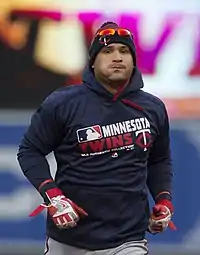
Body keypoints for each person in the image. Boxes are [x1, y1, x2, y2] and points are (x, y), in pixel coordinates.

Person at [17, 21, 176, 255]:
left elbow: (159, 160)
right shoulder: (63, 103)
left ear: (133, 61)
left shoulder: (152, 108)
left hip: (128, 239)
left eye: (124, 51)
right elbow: (30, 150)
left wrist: (164, 200)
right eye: (107, 51)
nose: (117, 57)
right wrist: (53, 196)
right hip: (70, 238)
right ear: (92, 61)